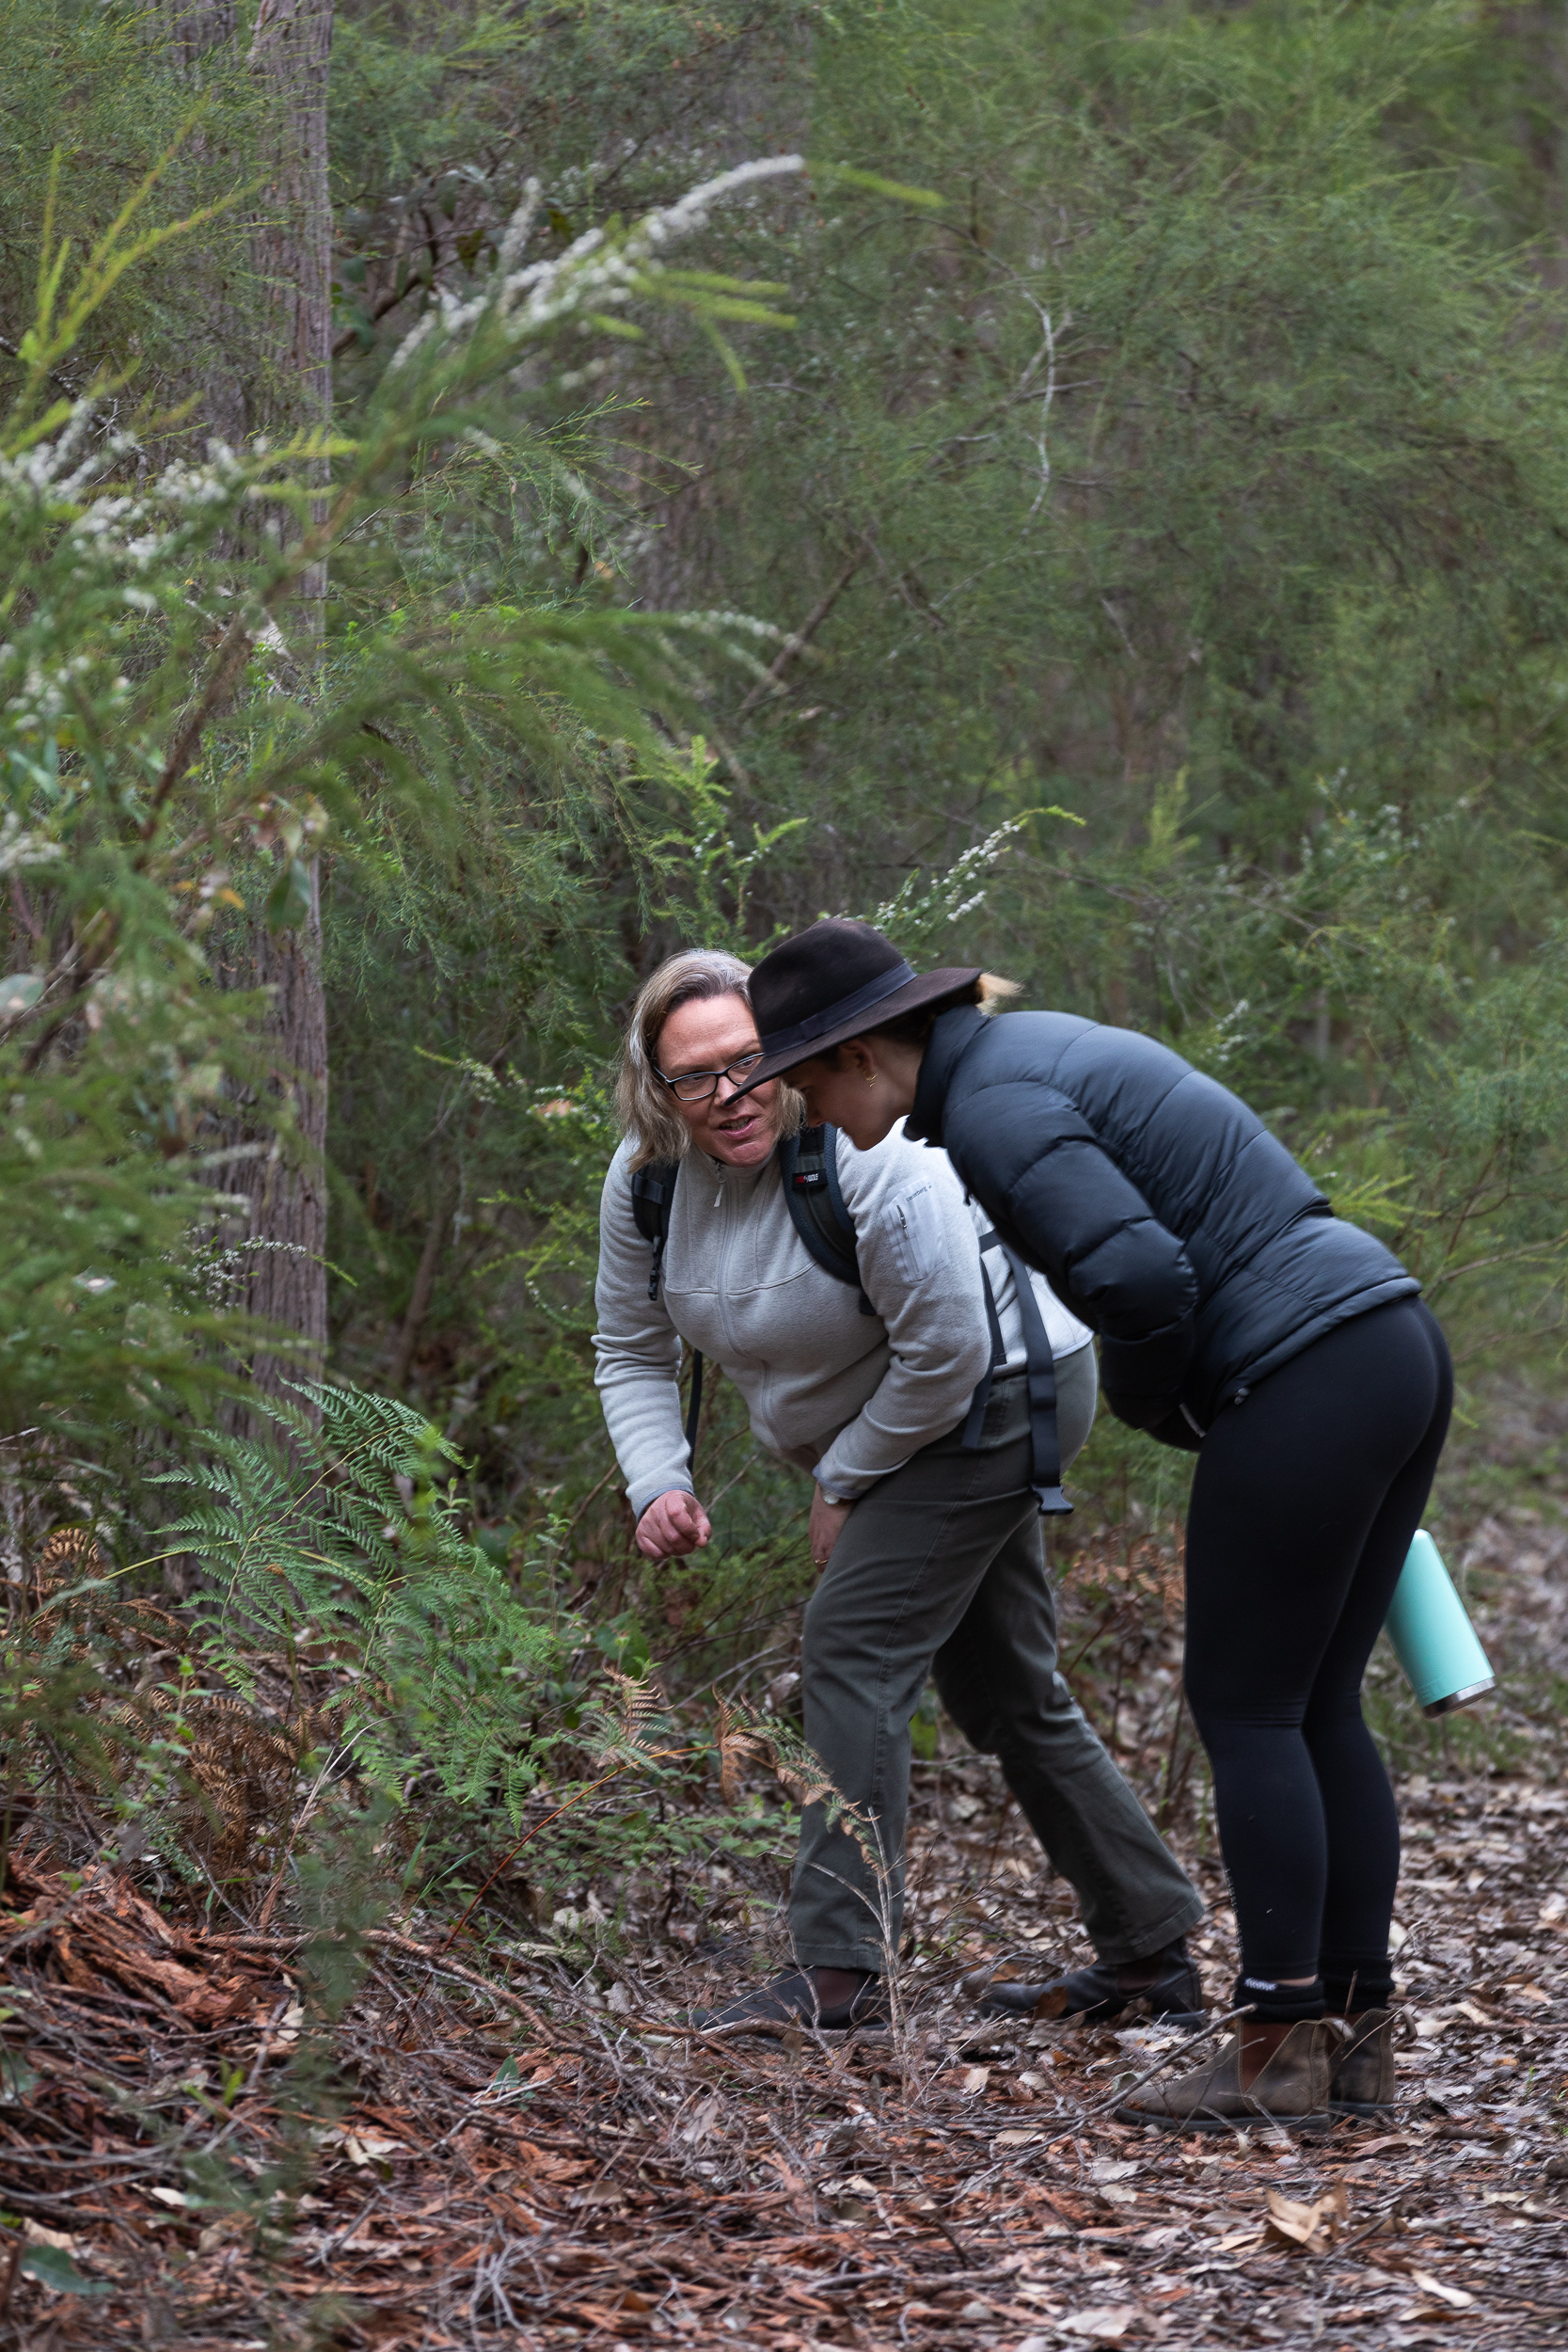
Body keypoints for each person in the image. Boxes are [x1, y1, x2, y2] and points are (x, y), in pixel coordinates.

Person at [733, 917, 1451, 2122]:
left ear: (861, 1055)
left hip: (1305, 1362)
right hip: (1383, 1336)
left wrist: (1141, 1394)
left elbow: (1137, 1279)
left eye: (806, 1080)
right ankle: (1350, 2037)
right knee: (1318, 1704)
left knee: (1248, 1707)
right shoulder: (1029, 1060)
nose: (809, 1111)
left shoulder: (997, 1107)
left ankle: (1278, 2045)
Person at [594, 947, 1205, 2034]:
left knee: (851, 1644)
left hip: (999, 1389)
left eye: (747, 1062)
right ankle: (1150, 1946)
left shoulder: (864, 1155)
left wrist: (843, 1478)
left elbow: (947, 1349)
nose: (727, 1094)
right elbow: (629, 1348)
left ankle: (841, 1973)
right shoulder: (646, 1185)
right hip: (906, 1415)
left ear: (785, 1058)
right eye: (693, 1075)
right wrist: (656, 1481)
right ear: (658, 1087)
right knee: (1005, 1689)